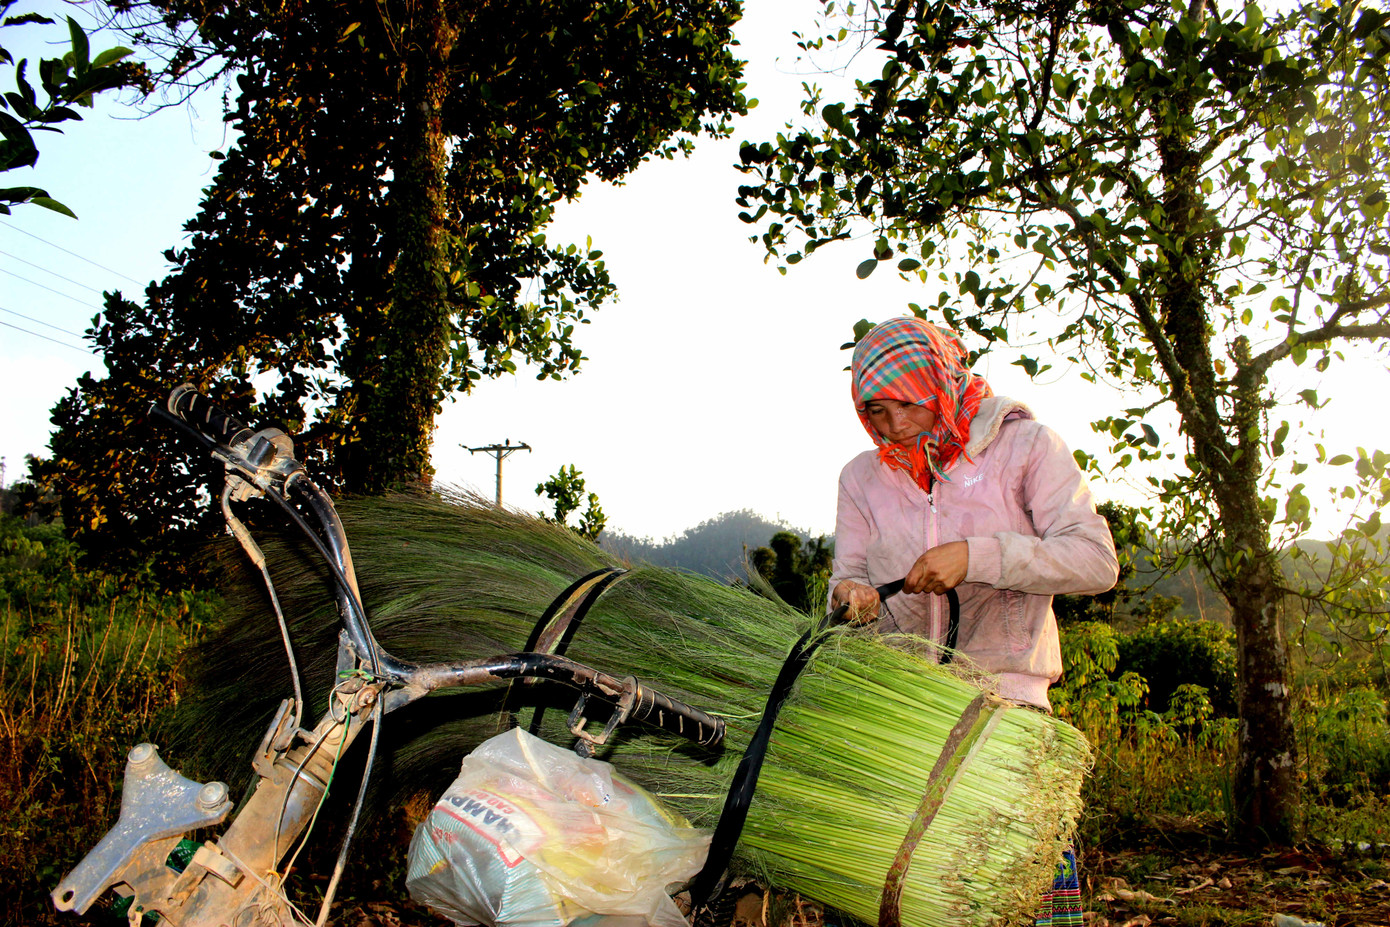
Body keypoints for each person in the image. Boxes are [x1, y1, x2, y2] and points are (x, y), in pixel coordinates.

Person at [828, 316, 1118, 927]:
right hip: (903, 704)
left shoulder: (1026, 447)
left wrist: (979, 557)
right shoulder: (861, 477)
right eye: (874, 410)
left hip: (1005, 702)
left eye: (905, 405)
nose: (891, 426)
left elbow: (1095, 560)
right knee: (899, 887)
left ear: (938, 383)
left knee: (1015, 880)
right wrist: (849, 596)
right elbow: (845, 574)